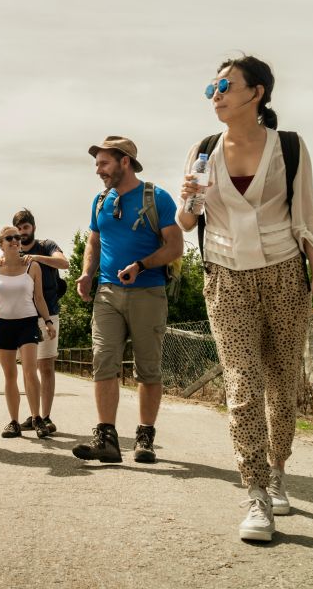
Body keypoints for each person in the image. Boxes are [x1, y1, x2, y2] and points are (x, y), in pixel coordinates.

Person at [176, 55, 313, 542]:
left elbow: (305, 212)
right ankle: (256, 493)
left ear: (257, 93)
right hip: (225, 276)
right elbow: (185, 224)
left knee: (282, 382)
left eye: (224, 85)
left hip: (284, 273)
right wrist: (187, 199)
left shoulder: (289, 147)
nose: (215, 94)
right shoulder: (203, 150)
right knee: (243, 383)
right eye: (211, 88)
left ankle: (278, 468)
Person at [73, 136, 183, 465]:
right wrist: (87, 274)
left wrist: (142, 265)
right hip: (107, 293)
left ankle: (145, 436)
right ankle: (106, 438)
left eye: (104, 163)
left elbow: (174, 247)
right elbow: (94, 241)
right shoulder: (100, 201)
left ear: (124, 162)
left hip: (147, 292)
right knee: (103, 361)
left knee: (147, 369)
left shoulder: (156, 197)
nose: (98, 170)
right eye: (97, 164)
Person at [0, 226, 56, 440]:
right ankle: (13, 421)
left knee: (30, 371)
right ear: (0, 244)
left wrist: (47, 321)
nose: (15, 241)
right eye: (9, 238)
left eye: (17, 238)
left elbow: (39, 298)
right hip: (3, 324)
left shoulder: (32, 266)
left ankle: (37, 418)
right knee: (10, 375)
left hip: (27, 322)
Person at [12, 209, 69, 434]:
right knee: (28, 368)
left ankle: (46, 416)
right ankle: (35, 415)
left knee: (46, 366)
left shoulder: (46, 246)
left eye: (25, 228)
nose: (22, 233)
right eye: (18, 229)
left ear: (33, 228)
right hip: (21, 315)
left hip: (48, 314)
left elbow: (63, 263)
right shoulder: (11, 252)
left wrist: (35, 258)